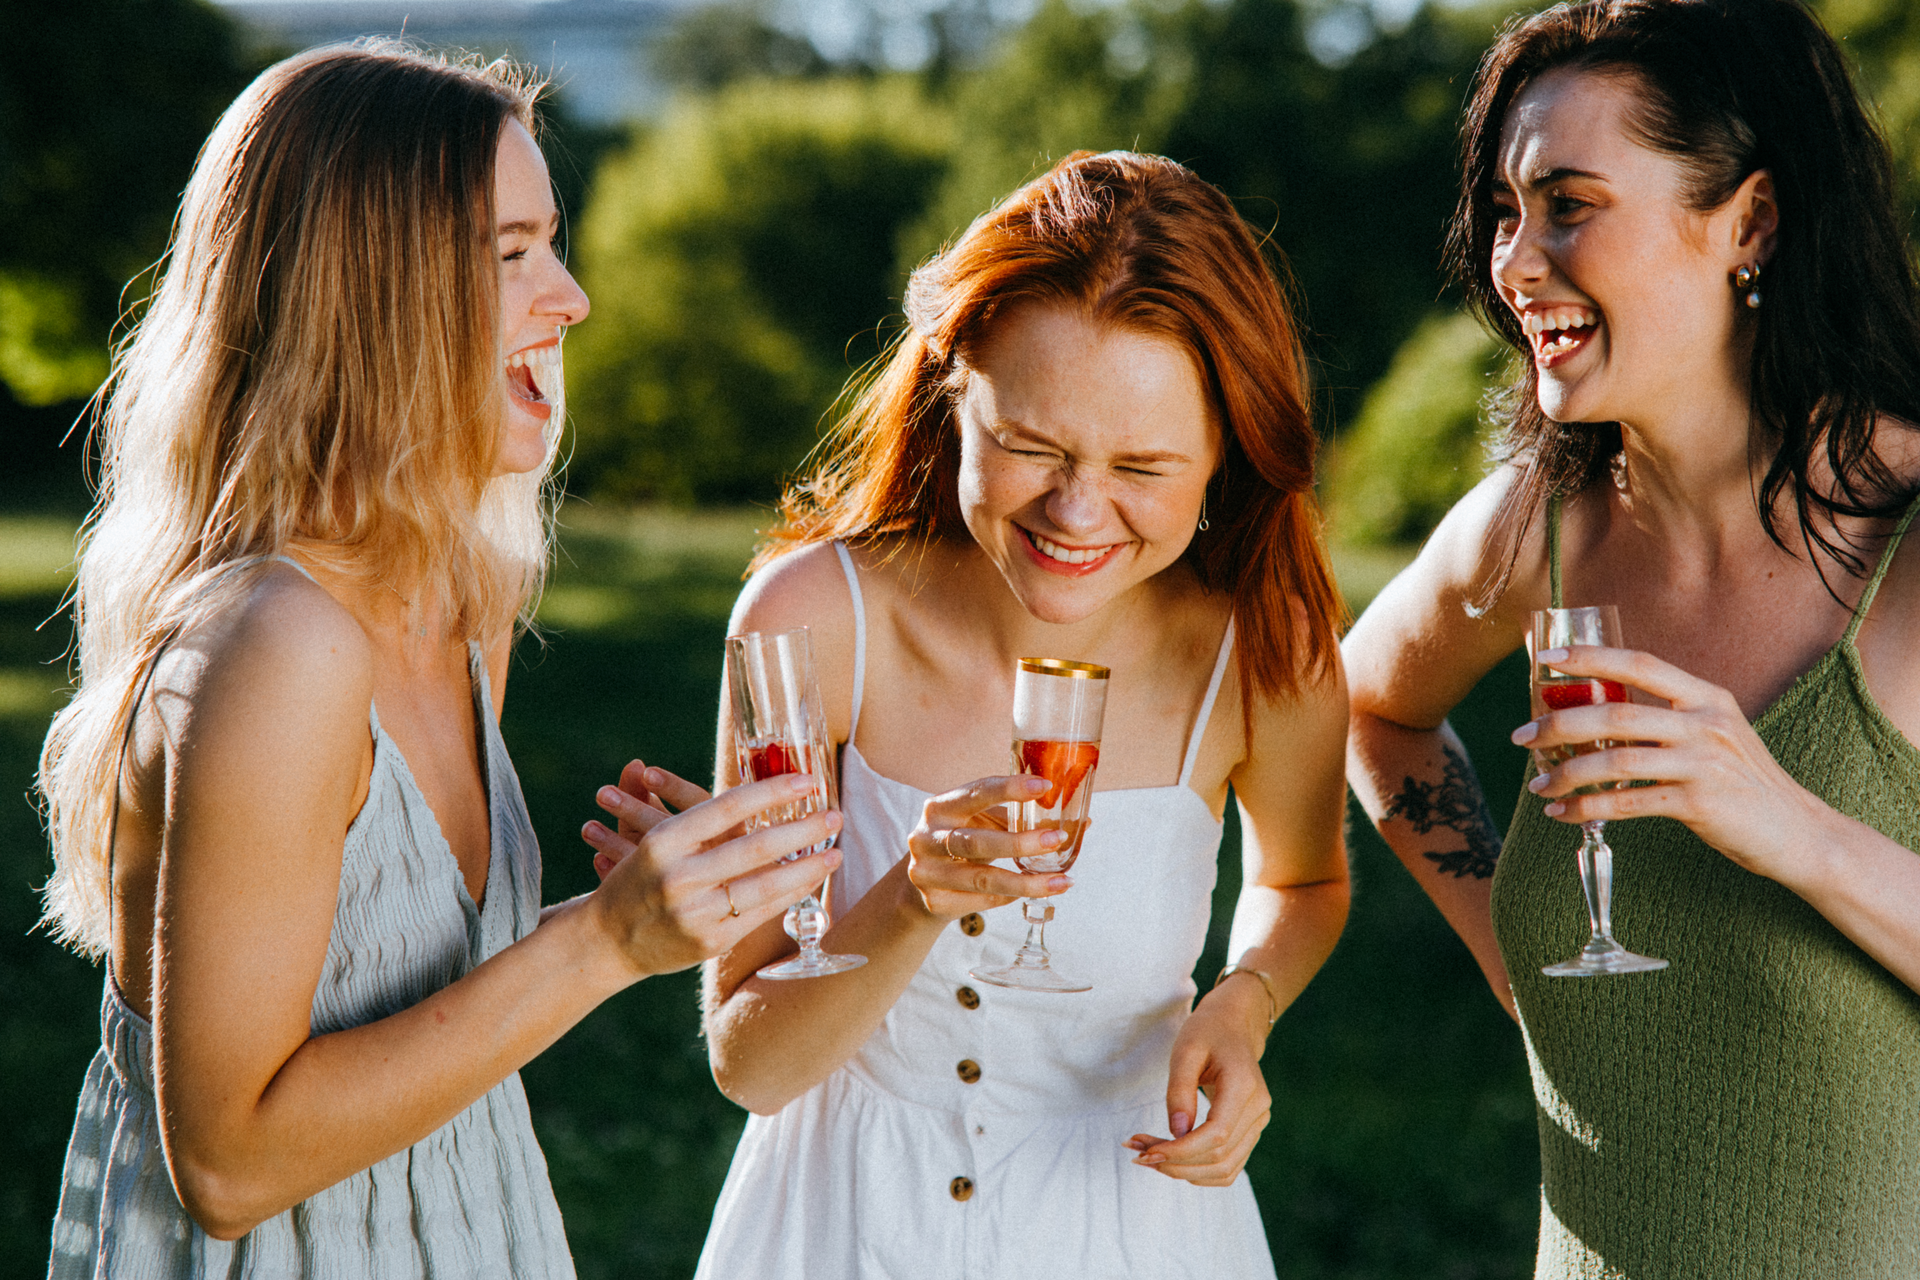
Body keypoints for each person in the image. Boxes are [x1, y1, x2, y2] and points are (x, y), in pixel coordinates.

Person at [36, 43, 838, 1276]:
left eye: (551, 245)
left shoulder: (464, 597)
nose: (568, 297)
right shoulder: (277, 645)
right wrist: (603, 942)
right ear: (371, 292)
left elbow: (417, 1022)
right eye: (513, 254)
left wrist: (654, 911)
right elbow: (231, 1166)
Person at [607, 149, 1354, 1279]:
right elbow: (753, 1066)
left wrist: (1244, 1005)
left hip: (1135, 1231)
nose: (1076, 508)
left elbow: (1303, 880)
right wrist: (908, 898)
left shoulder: (1262, 657)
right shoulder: (816, 618)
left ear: (1226, 459)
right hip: (840, 1228)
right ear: (955, 394)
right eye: (1030, 445)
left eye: (1143, 466)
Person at [1344, 0, 1920, 1273]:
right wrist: (1515, 944)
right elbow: (1371, 708)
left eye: (1569, 203)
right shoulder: (1533, 529)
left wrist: (1791, 825)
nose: (1514, 260)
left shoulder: (1911, 537)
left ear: (1750, 223)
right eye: (1507, 209)